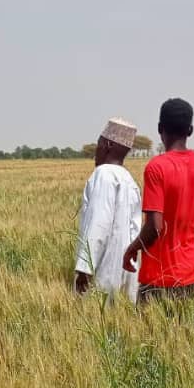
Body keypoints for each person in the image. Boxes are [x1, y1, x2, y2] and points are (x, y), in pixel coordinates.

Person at [123, 98, 194, 302]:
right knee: (184, 333)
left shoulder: (157, 167)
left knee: (149, 335)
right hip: (190, 276)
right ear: (190, 130)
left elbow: (155, 227)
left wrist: (132, 249)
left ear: (160, 128)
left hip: (157, 279)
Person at [74, 118, 142, 302]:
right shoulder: (130, 180)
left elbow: (98, 224)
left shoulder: (103, 174)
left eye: (98, 144)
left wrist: (84, 269)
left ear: (108, 144)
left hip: (104, 268)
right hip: (128, 270)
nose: (96, 151)